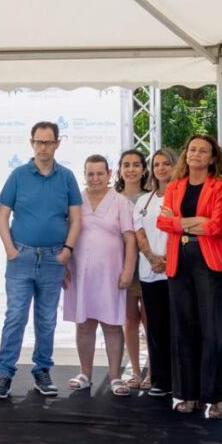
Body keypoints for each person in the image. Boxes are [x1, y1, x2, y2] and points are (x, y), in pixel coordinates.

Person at [0, 122, 82, 399]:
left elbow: (76, 219)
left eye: (48, 142)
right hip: (22, 257)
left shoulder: (66, 177)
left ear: (57, 144)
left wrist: (67, 250)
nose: (43, 147)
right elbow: (2, 216)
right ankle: (4, 373)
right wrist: (10, 250)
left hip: (54, 258)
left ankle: (42, 370)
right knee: (15, 317)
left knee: (46, 320)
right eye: (39, 142)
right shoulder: (18, 175)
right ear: (32, 143)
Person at [156, 135, 222, 418]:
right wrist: (193, 222)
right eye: (192, 149)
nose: (195, 154)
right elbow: (162, 222)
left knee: (212, 331)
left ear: (212, 158)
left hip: (209, 262)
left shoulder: (220, 186)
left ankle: (214, 397)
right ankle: (186, 394)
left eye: (202, 151)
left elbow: (216, 226)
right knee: (183, 329)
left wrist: (178, 223)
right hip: (179, 261)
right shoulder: (174, 186)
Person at [63, 155, 137, 396]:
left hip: (111, 275)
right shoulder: (75, 201)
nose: (95, 178)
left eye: (99, 173)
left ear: (109, 174)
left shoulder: (120, 202)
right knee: (84, 325)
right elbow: (66, 235)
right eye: (90, 174)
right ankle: (85, 374)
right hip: (80, 274)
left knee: (112, 325)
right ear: (84, 175)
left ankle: (115, 377)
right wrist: (63, 266)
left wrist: (128, 270)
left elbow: (130, 239)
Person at [134, 148, 176, 397]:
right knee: (155, 328)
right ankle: (160, 379)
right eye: (157, 164)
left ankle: (180, 380)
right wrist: (151, 257)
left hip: (175, 271)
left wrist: (168, 259)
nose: (161, 168)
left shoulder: (182, 195)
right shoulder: (144, 200)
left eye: (166, 164)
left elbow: (180, 229)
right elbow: (139, 232)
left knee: (177, 327)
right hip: (149, 272)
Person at [116, 148, 151, 390]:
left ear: (144, 169)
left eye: (136, 165)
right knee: (129, 320)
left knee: (151, 320)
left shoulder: (152, 198)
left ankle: (154, 371)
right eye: (126, 165)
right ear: (119, 170)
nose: (131, 170)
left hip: (150, 267)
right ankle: (135, 371)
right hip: (123, 268)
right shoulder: (112, 198)